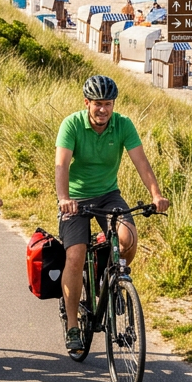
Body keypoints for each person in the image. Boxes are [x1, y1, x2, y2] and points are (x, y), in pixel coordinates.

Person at [55, 76, 169, 354]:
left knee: (127, 239)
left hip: (108, 195)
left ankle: (112, 280)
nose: (103, 110)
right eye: (97, 104)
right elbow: (62, 164)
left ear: (113, 105)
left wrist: (156, 195)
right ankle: (72, 326)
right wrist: (64, 198)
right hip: (76, 200)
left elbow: (141, 162)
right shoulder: (71, 125)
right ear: (87, 104)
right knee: (75, 255)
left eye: (107, 104)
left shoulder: (123, 125)